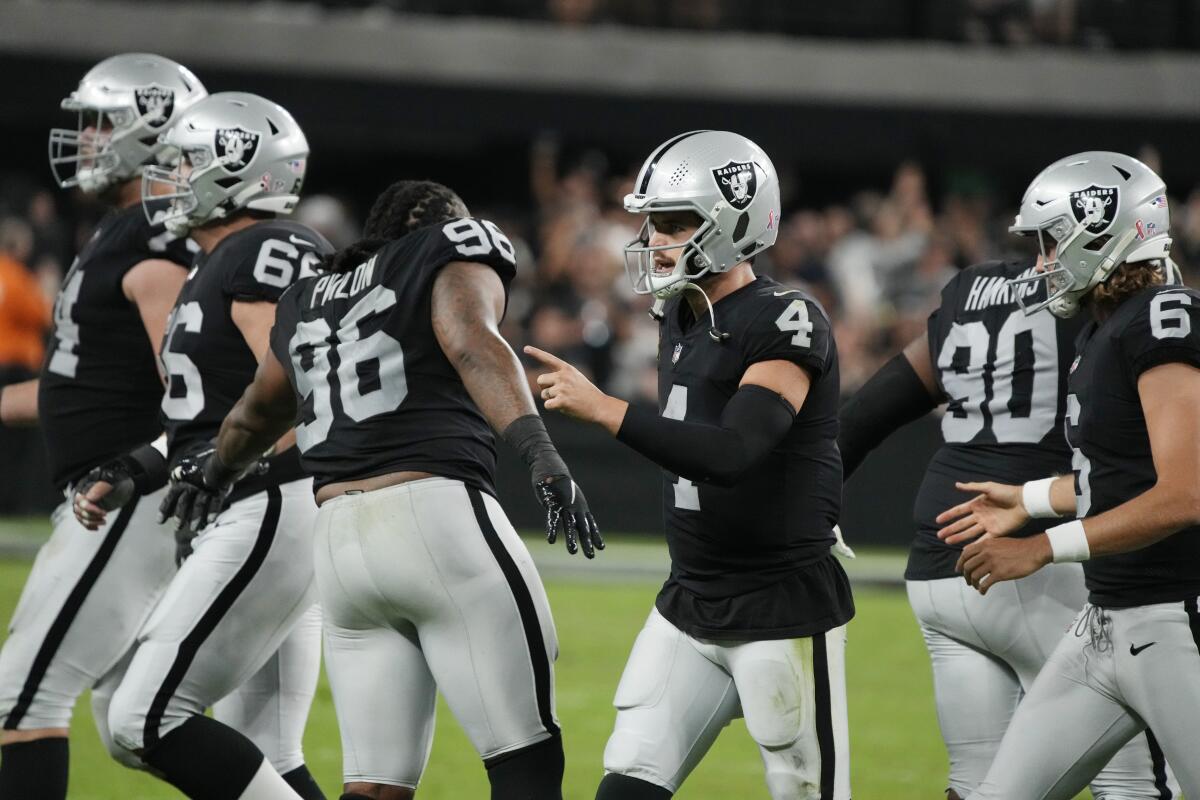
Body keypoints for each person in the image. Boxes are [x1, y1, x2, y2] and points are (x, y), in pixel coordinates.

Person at [159, 178, 601, 800]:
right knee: (525, 759)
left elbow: (256, 414)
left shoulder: (305, 297)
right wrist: (541, 452)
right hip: (438, 518)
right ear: (444, 227)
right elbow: (472, 341)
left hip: (340, 545)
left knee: (373, 788)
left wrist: (212, 476)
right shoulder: (444, 251)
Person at [527, 130, 853, 799]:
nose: (654, 241)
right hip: (690, 599)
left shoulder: (785, 318)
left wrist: (606, 411)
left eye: (675, 224)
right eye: (652, 224)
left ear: (735, 222)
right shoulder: (680, 312)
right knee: (626, 786)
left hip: (777, 603)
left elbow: (734, 453)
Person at [838, 159, 1177, 795]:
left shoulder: (969, 288)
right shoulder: (1105, 304)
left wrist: (815, 500)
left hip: (939, 555)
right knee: (1132, 781)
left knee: (981, 780)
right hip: (1032, 554)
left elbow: (870, 408)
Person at [77, 92, 330, 799]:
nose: (169, 178)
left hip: (269, 500)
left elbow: (301, 387)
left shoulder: (263, 249)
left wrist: (225, 470)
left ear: (240, 168)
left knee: (140, 715)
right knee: (267, 752)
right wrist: (150, 460)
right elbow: (218, 402)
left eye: (185, 161)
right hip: (257, 502)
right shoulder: (217, 260)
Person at [935, 151, 1198, 797]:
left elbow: (1185, 493)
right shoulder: (1101, 334)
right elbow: (1119, 482)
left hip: (1176, 620)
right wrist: (1029, 499)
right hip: (1106, 622)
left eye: (1052, 242)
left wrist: (1040, 548)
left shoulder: (1164, 320)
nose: (1043, 262)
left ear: (1103, 233)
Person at [0, 53, 205, 800]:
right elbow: (73, 385)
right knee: (137, 721)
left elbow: (190, 385)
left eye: (100, 124)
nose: (85, 139)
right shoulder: (125, 229)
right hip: (118, 495)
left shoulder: (154, 235)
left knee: (24, 694)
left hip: (126, 495)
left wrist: (135, 471)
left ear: (149, 132)